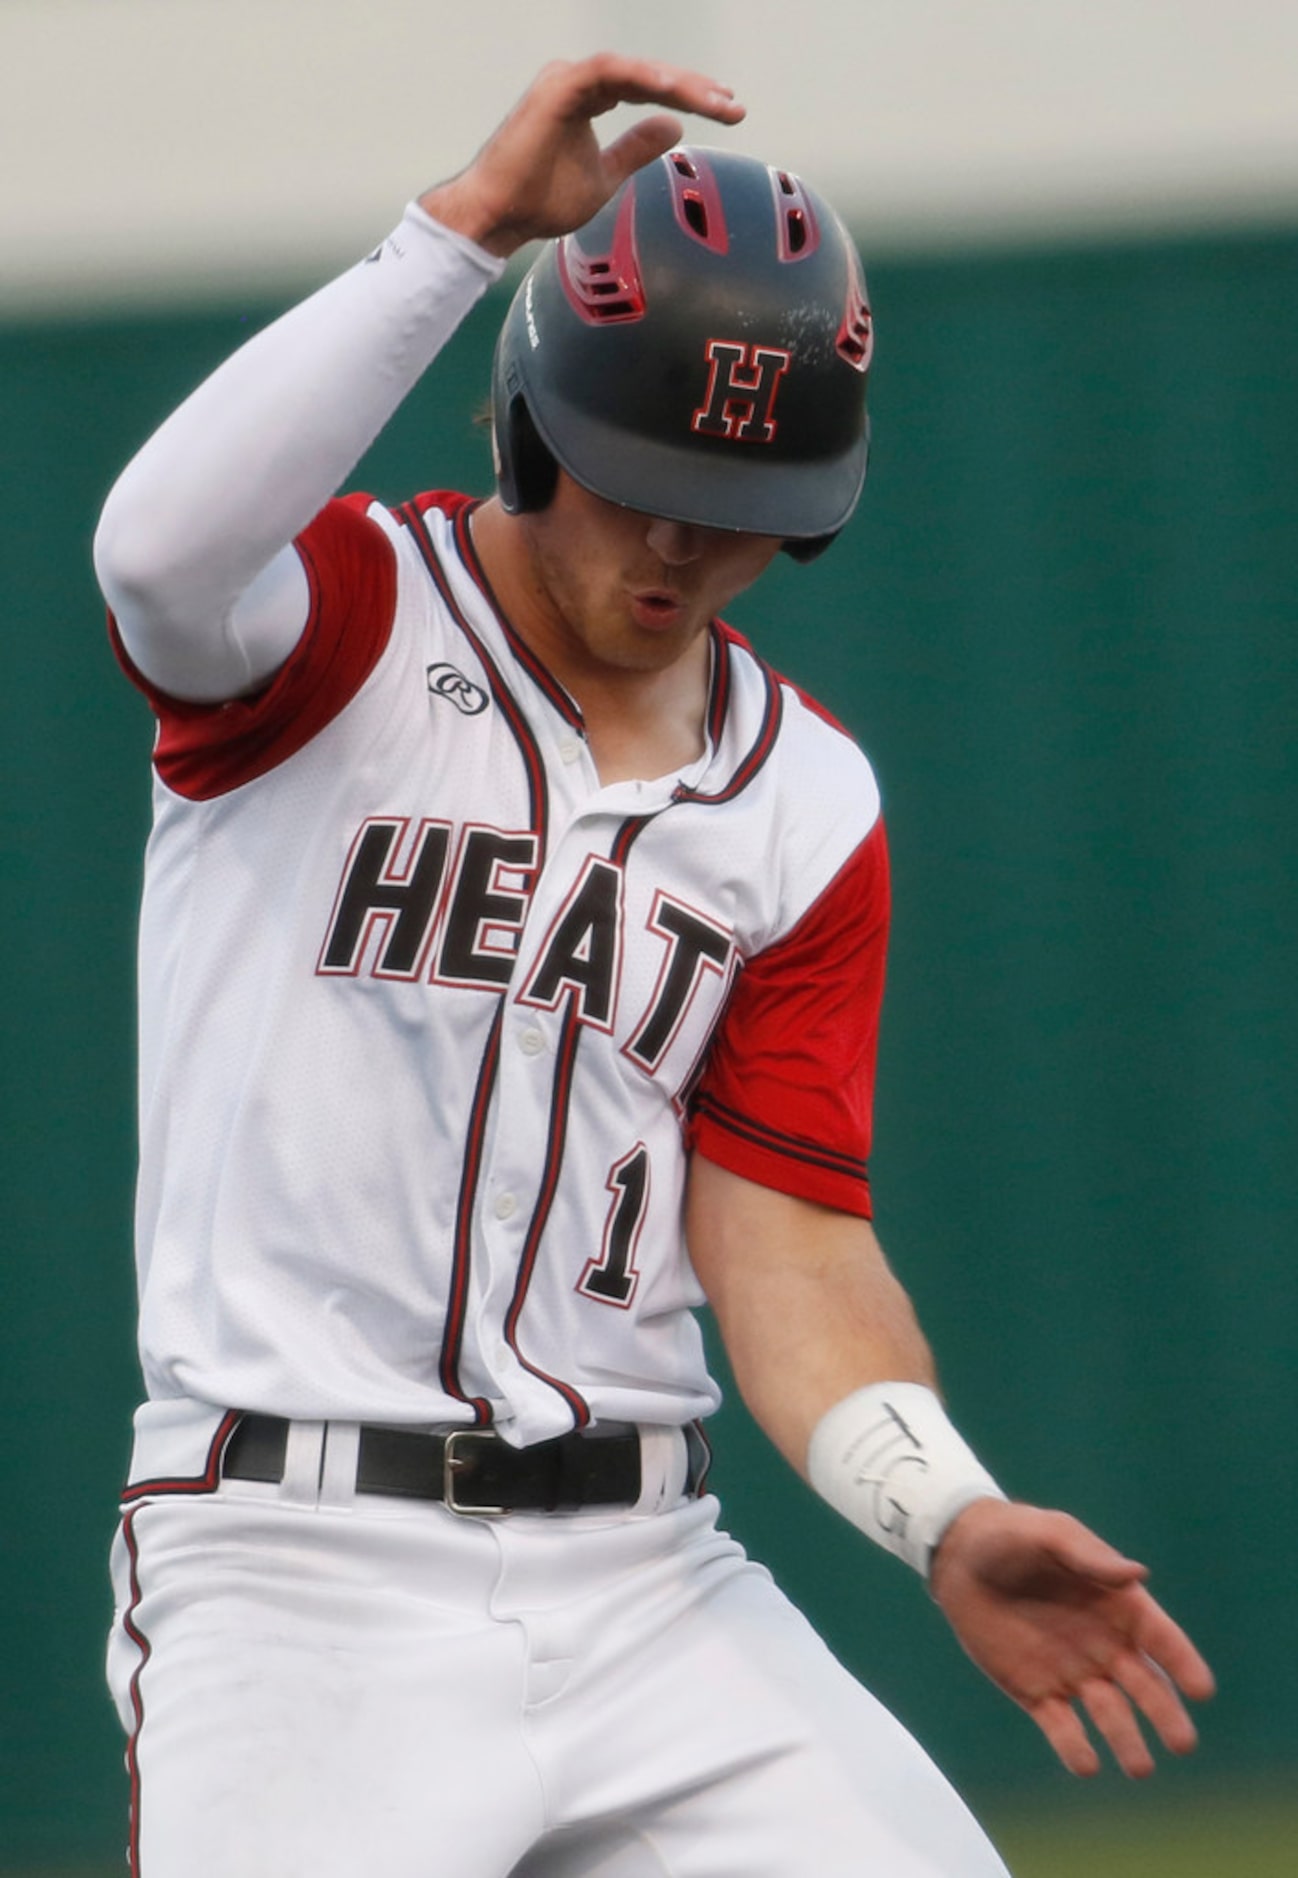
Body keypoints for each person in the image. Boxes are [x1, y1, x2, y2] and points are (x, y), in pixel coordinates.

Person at [94, 53, 1214, 1878]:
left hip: (649, 1580)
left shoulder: (808, 798)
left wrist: (944, 1510)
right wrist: (459, 230)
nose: (685, 534)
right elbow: (150, 548)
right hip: (297, 1559)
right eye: (642, 474)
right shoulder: (340, 625)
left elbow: (785, 1243)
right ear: (539, 421)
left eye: (738, 489)